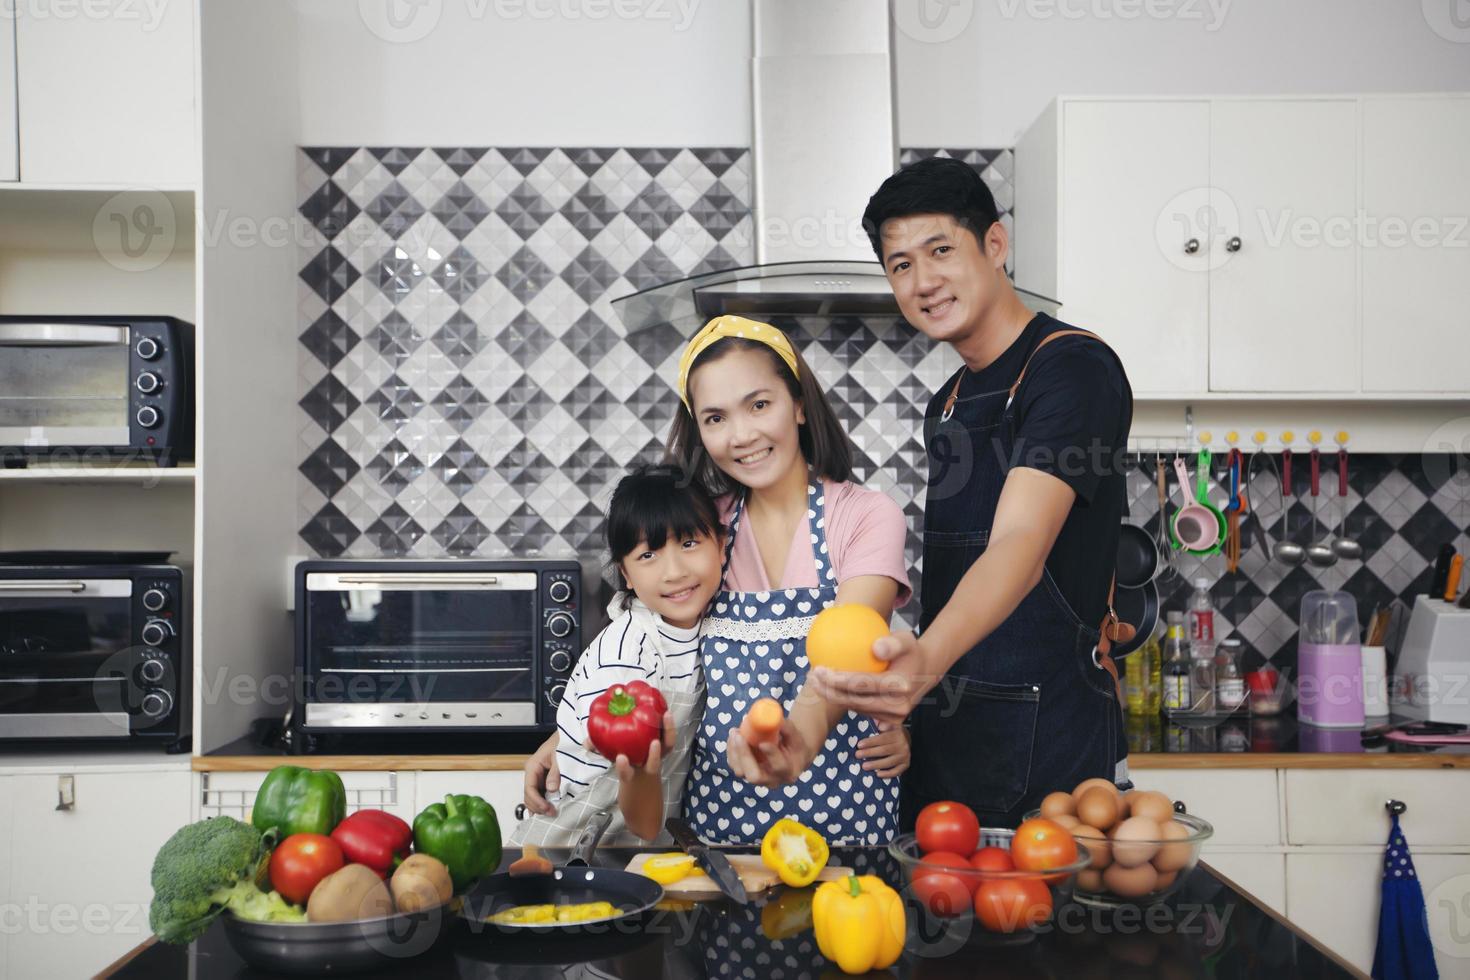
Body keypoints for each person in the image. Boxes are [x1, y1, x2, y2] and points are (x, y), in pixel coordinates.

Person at [802, 156, 1137, 829]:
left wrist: (924, 660)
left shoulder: (1072, 369)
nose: (922, 282)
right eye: (900, 265)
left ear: (994, 244)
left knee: (1046, 932)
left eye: (940, 251)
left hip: (1052, 745)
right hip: (951, 742)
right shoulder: (949, 403)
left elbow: (1021, 541)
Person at [524, 315, 914, 845]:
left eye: (759, 405)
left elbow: (850, 647)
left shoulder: (865, 515)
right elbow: (647, 639)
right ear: (699, 431)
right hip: (723, 829)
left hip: (847, 816)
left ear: (799, 404)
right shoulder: (704, 529)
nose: (741, 435)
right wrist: (571, 736)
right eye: (715, 418)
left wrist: (798, 738)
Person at [509, 464, 720, 846]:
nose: (674, 571)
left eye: (689, 543)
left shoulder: (708, 621)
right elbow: (639, 806)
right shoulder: (627, 656)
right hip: (577, 840)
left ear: (721, 545)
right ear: (625, 574)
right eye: (648, 555)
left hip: (639, 839)